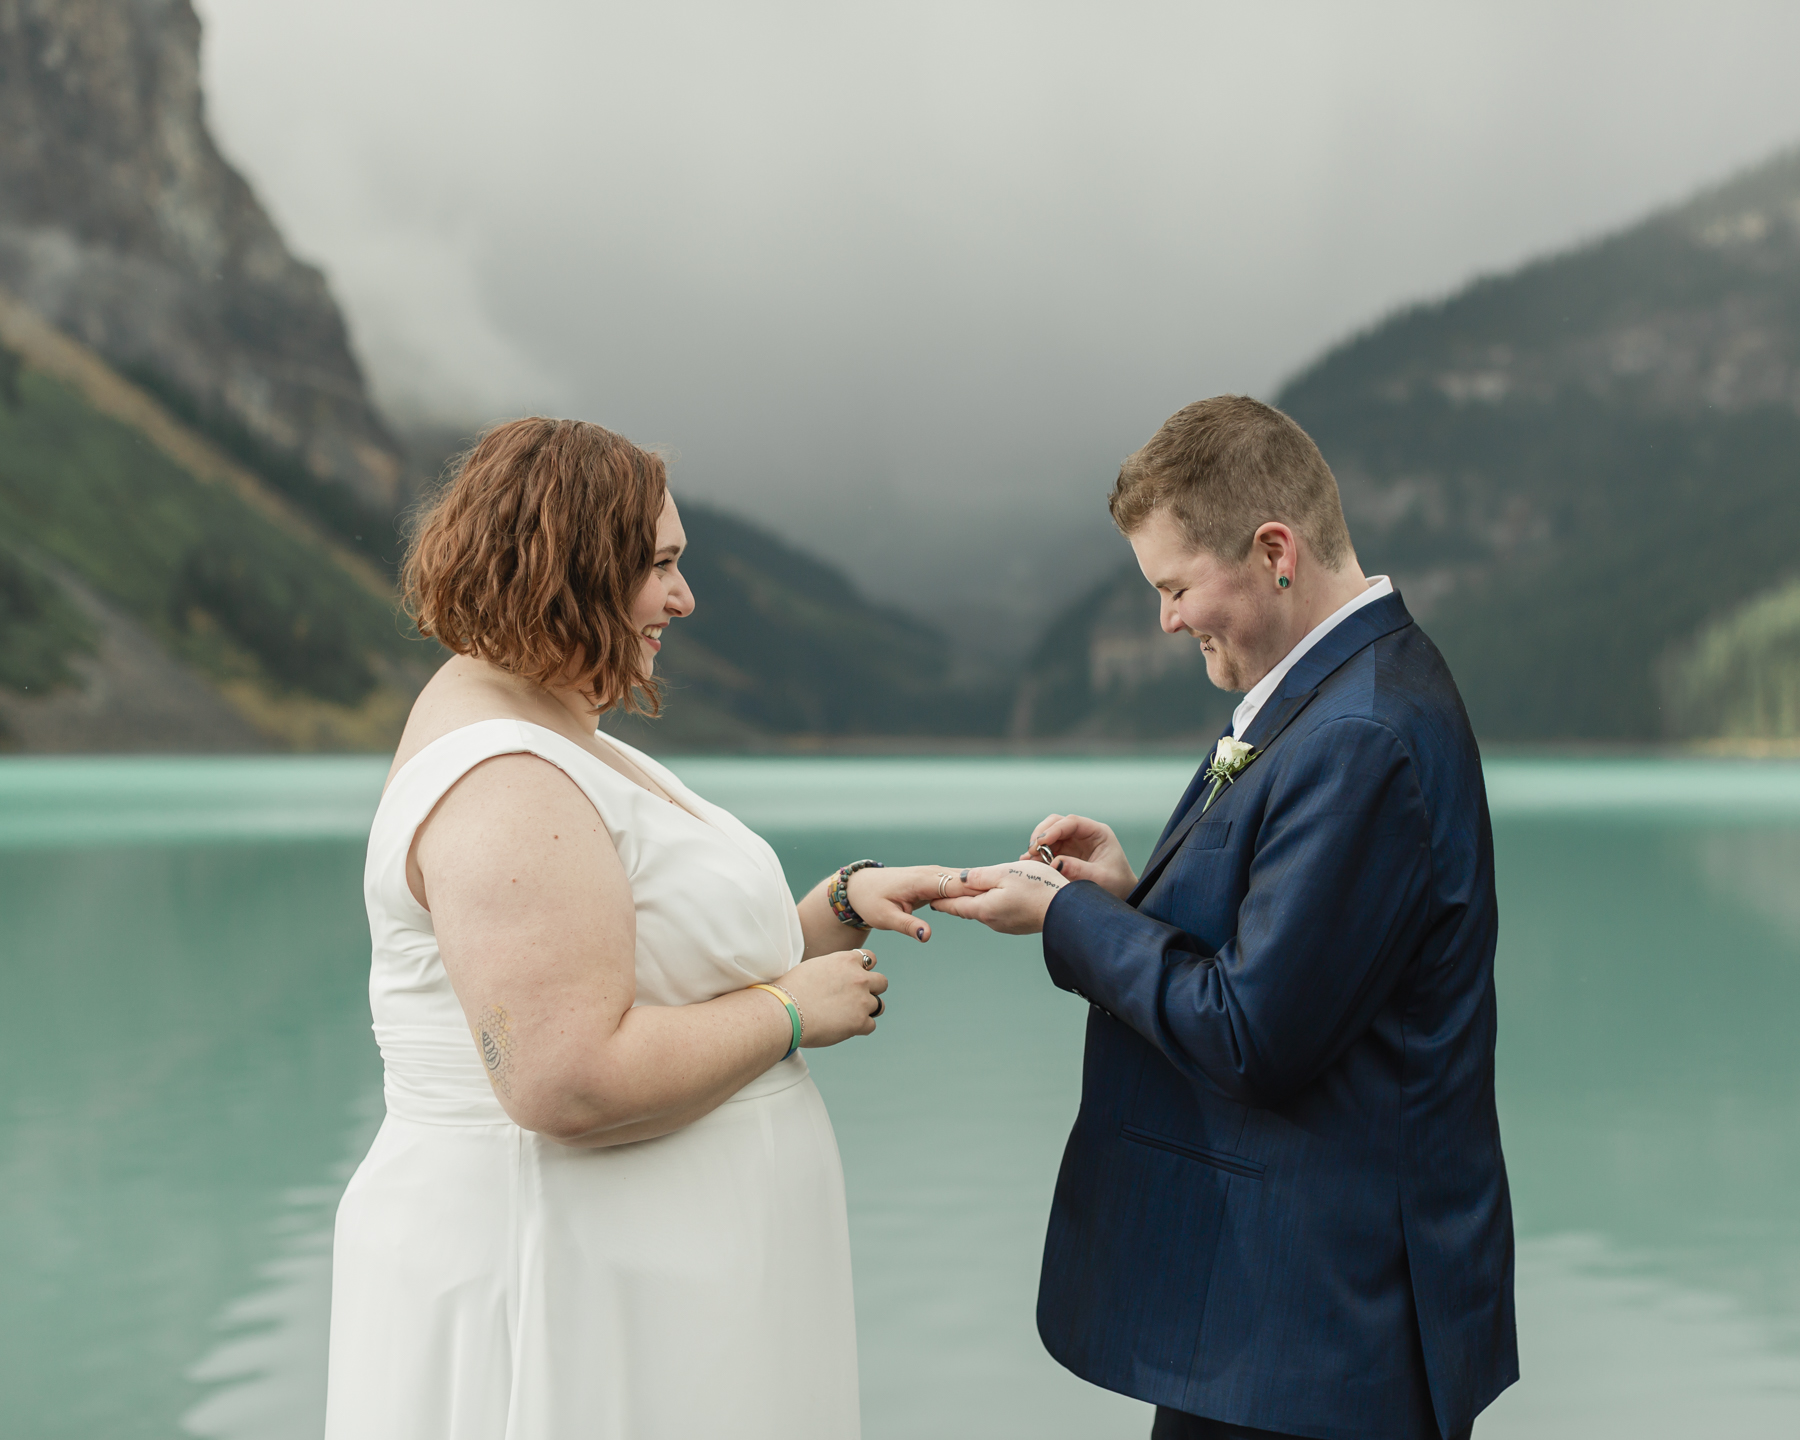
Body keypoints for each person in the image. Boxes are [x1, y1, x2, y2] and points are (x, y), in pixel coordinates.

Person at [324, 417, 951, 1440]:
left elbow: (644, 967)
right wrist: (793, 1012)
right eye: (658, 565)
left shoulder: (549, 723)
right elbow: (560, 1074)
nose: (683, 596)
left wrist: (830, 910)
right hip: (569, 1289)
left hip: (659, 1286)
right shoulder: (503, 778)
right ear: (572, 566)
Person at [934, 396, 1516, 1440]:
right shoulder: (1333, 690)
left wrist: (1068, 919)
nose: (1164, 620)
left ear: (1275, 551)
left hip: (1324, 1341)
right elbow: (1290, 948)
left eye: (1175, 586)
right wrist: (1134, 897)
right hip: (1283, 1321)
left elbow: (1256, 1034)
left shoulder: (1361, 732)